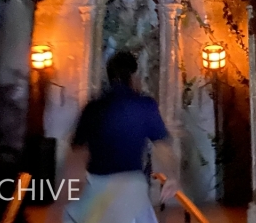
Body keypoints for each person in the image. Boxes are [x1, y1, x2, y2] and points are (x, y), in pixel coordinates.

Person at [47, 51, 178, 223]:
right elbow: (162, 146)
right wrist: (172, 177)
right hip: (132, 189)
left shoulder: (93, 108)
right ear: (133, 76)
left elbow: (76, 157)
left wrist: (61, 200)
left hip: (97, 188)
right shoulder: (145, 106)